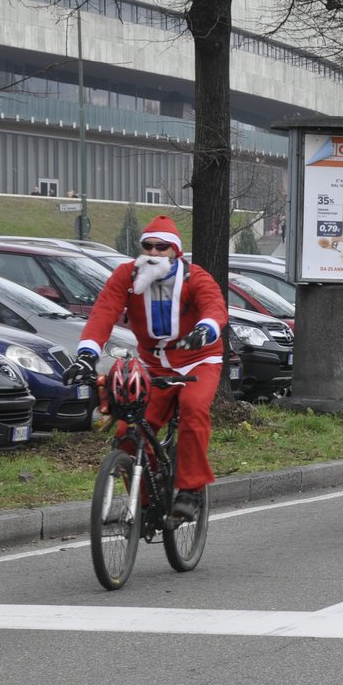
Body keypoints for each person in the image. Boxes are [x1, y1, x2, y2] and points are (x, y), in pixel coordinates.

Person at [66, 215, 227, 523]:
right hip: (152, 363)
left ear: (175, 252)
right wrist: (86, 354)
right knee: (128, 431)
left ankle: (191, 490)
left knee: (194, 409)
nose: (153, 253)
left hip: (199, 359)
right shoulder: (128, 275)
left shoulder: (196, 277)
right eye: (147, 246)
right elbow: (104, 312)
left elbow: (215, 307)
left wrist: (205, 329)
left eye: (161, 247)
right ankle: (147, 501)